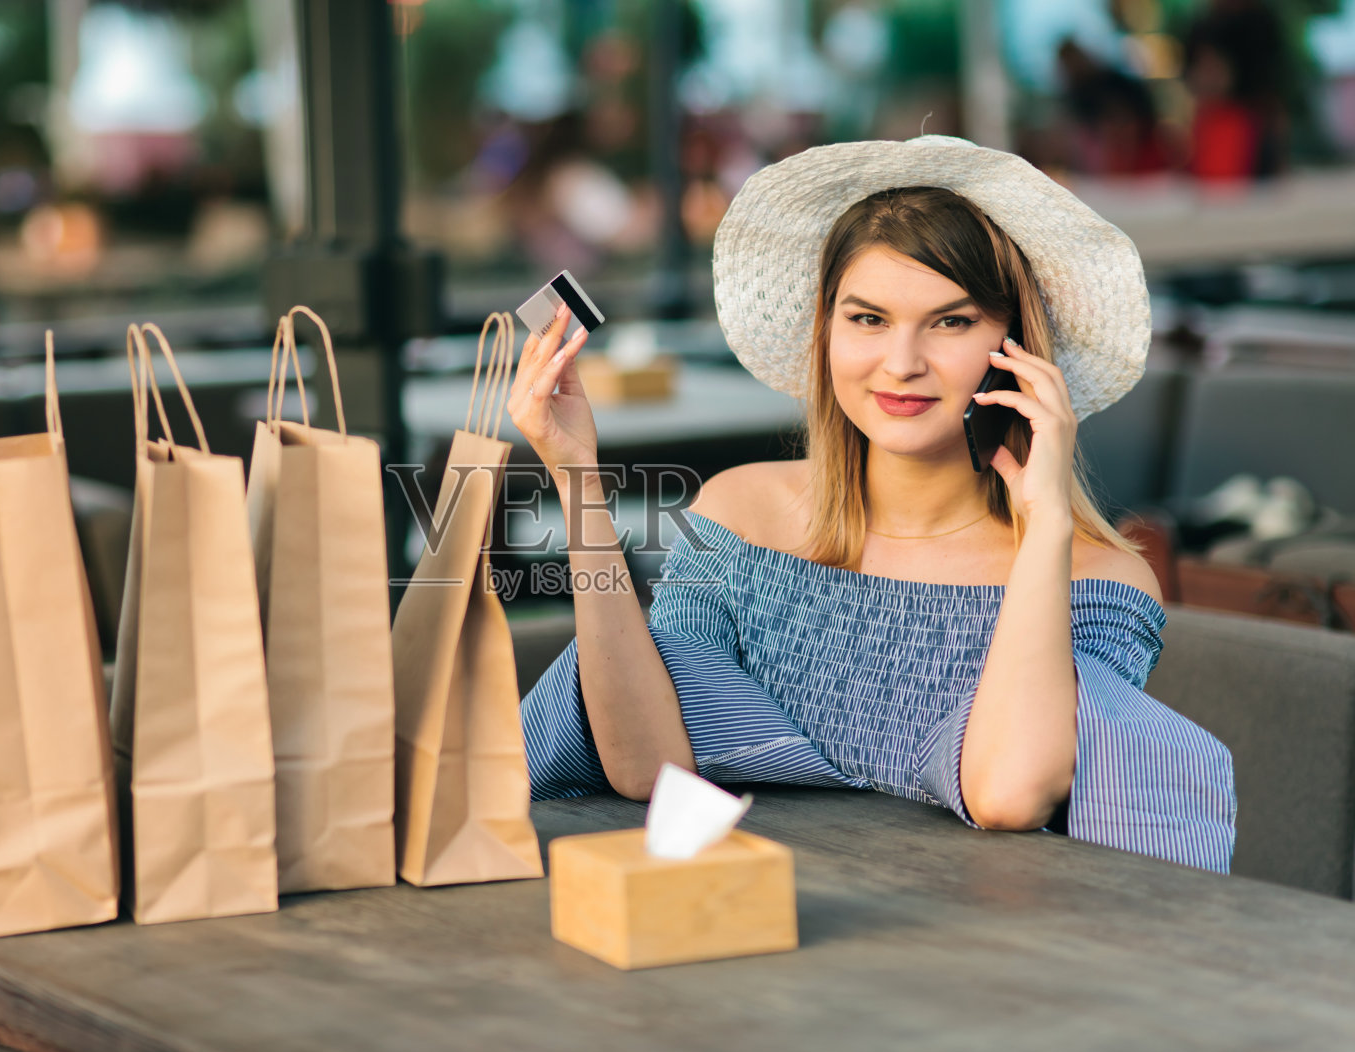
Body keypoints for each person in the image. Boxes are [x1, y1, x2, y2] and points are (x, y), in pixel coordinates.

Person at [509, 135, 1235, 874]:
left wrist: (1045, 525)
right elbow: (647, 767)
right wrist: (578, 481)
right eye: (867, 318)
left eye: (951, 321)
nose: (902, 362)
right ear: (826, 329)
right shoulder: (737, 515)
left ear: (1016, 346)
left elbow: (1008, 796)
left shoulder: (1098, 579)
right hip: (749, 917)